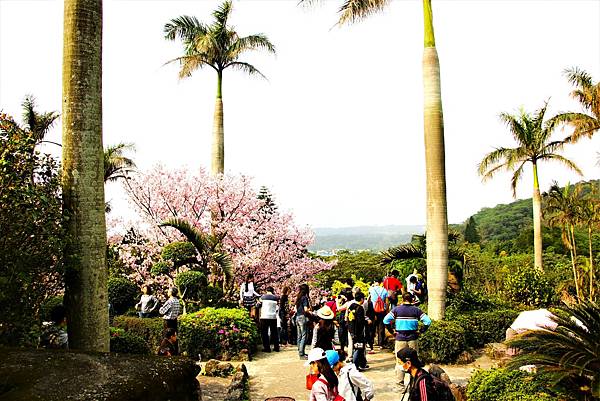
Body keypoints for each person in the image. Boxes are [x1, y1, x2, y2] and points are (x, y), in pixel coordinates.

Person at [383, 292, 432, 392]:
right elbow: (428, 321)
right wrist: (421, 331)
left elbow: (385, 320)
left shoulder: (396, 309)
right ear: (412, 300)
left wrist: (392, 331)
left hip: (400, 338)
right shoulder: (416, 310)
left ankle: (400, 386)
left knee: (400, 361)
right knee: (414, 361)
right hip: (413, 338)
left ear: (402, 300)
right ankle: (414, 385)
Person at [346, 291, 368, 371]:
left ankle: (362, 364)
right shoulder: (360, 308)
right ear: (362, 299)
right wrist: (367, 322)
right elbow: (360, 321)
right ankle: (355, 366)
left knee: (357, 347)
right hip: (357, 331)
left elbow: (348, 318)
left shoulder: (351, 306)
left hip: (351, 329)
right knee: (358, 348)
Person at [259, 286, 280, 352]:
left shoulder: (262, 297)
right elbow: (277, 307)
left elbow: (258, 305)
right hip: (273, 317)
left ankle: (267, 348)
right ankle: (276, 347)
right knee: (274, 332)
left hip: (264, 316)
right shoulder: (276, 298)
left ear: (267, 291)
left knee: (264, 333)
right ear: (272, 291)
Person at [368, 281, 388, 349]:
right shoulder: (384, 290)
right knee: (381, 326)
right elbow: (386, 302)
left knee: (372, 327)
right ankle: (381, 344)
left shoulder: (371, 289)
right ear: (380, 282)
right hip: (382, 310)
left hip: (373, 310)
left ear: (374, 282)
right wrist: (387, 311)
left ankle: (371, 342)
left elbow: (369, 299)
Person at [295, 283, 311, 359]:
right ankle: (301, 354)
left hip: (297, 317)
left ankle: (300, 351)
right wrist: (310, 311)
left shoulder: (298, 297)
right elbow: (305, 309)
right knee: (304, 335)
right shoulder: (304, 298)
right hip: (302, 317)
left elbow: (295, 309)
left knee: (299, 335)